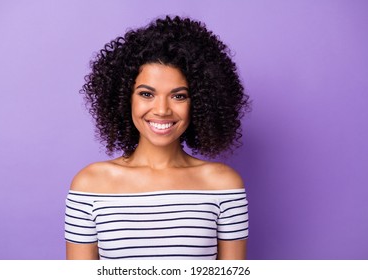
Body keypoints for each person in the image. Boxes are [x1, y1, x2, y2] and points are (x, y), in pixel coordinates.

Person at [65, 15, 250, 260]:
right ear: (124, 98)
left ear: (201, 102)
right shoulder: (89, 185)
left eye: (179, 96)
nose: (162, 109)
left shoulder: (223, 184)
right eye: (146, 94)